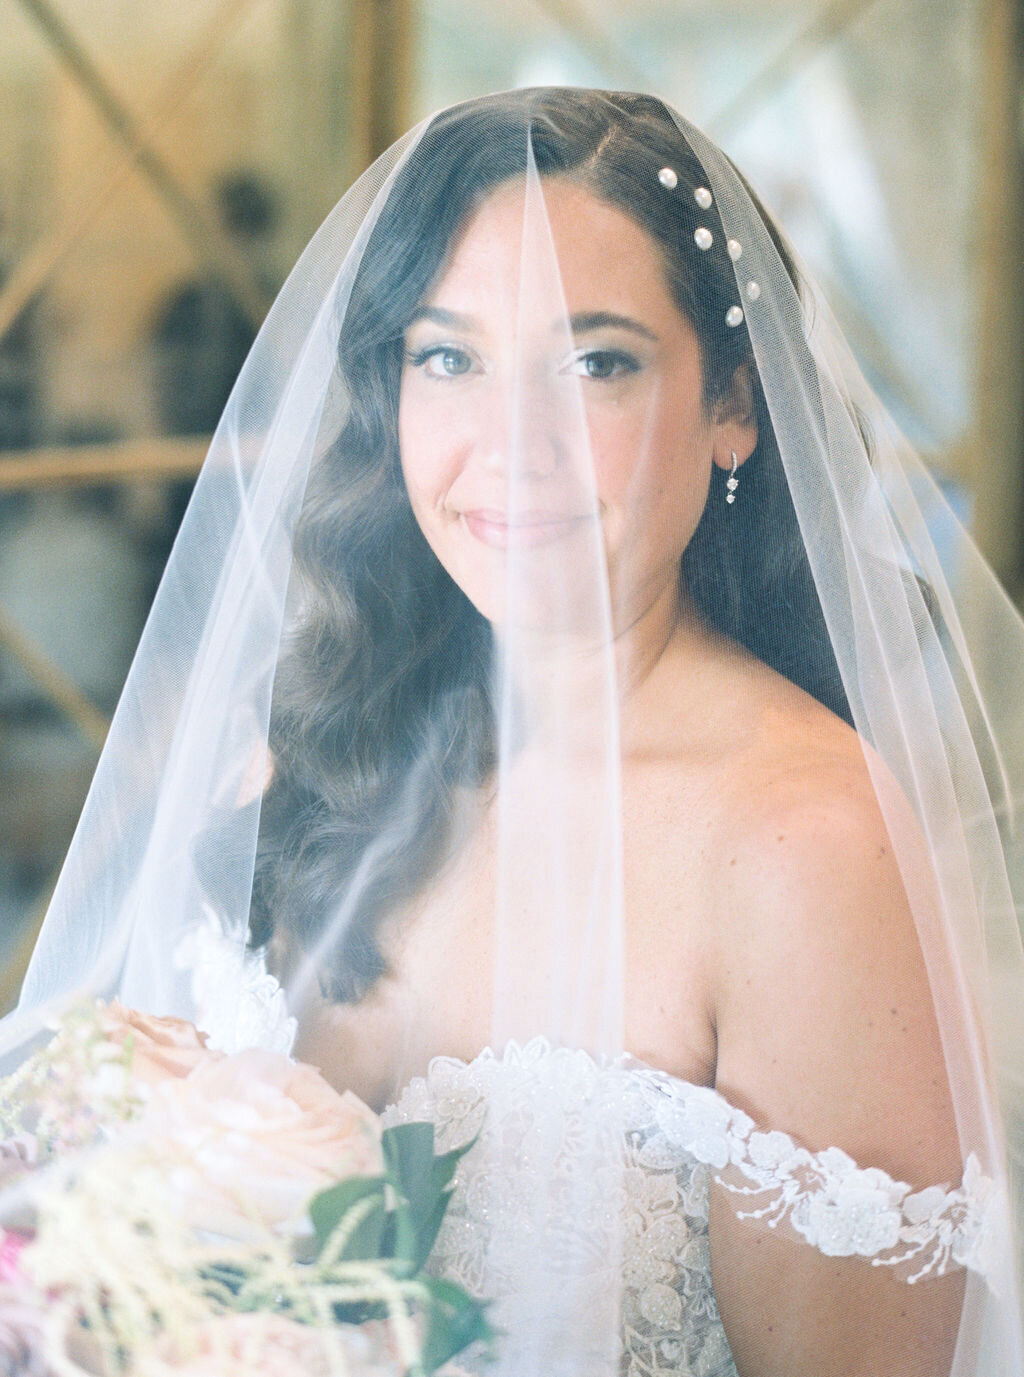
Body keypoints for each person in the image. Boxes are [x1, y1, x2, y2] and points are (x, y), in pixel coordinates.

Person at [4, 89, 1023, 1377]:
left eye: (596, 363)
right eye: (448, 357)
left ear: (735, 408)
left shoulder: (806, 852)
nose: (510, 446)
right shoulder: (312, 742)